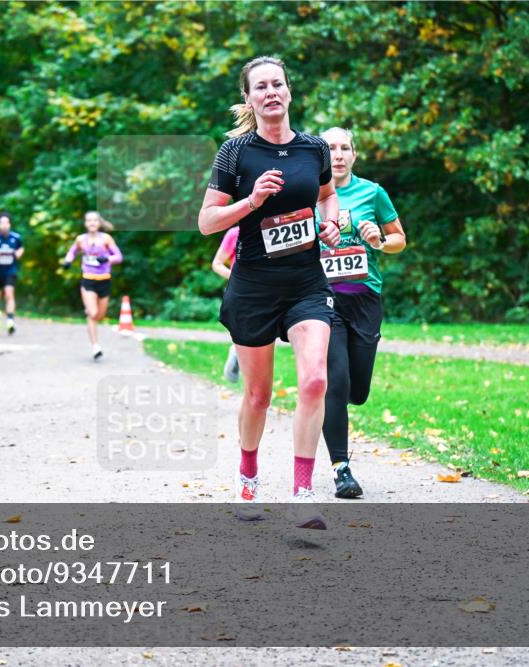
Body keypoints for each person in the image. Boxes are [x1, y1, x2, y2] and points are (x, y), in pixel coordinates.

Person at [197, 55, 340, 525]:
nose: (271, 92)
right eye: (260, 87)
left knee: (315, 380)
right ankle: (248, 478)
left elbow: (327, 195)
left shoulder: (315, 149)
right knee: (258, 396)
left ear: (289, 91)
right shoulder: (235, 152)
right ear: (248, 98)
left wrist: (332, 222)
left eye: (277, 84)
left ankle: (302, 493)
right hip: (254, 286)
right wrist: (252, 200)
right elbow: (206, 222)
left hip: (306, 283)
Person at [319, 126, 407, 498]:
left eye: (345, 148)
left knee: (357, 391)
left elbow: (399, 239)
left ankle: (340, 406)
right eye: (330, 148)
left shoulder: (373, 192)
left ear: (354, 155)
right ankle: (341, 469)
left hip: (365, 298)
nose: (338, 155)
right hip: (322, 300)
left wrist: (379, 241)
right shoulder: (307, 193)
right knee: (335, 382)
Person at [60, 211, 123, 361]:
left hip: (104, 280)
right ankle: (95, 347)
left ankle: (90, 312)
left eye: (95, 220)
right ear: (85, 223)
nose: (92, 223)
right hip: (88, 280)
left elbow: (119, 257)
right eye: (89, 220)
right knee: (92, 313)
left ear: (99, 223)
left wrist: (107, 259)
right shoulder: (81, 239)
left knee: (99, 315)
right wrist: (67, 261)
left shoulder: (106, 239)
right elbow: (72, 252)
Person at [211, 226, 242, 383]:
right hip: (241, 291)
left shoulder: (273, 226)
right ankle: (238, 351)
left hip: (271, 289)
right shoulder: (234, 233)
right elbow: (217, 263)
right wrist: (236, 278)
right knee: (249, 332)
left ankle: (238, 351)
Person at [0, 212, 24, 335]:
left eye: (6, 223)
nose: (4, 225)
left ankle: (10, 321)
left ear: (10, 224)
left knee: (9, 294)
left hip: (10, 270)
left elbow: (21, 248)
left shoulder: (16, 238)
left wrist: (19, 253)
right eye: (1, 223)